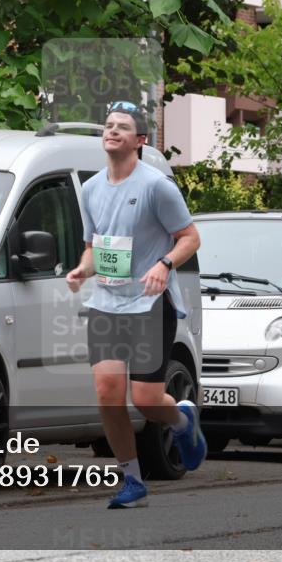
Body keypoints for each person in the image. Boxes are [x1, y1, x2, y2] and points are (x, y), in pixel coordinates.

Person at [66, 100, 205, 509]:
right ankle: (131, 478)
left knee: (145, 400)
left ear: (140, 140)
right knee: (107, 393)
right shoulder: (90, 189)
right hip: (106, 303)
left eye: (122, 127)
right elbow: (94, 249)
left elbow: (190, 237)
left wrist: (164, 264)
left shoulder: (155, 185)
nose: (111, 131)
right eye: (108, 125)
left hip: (147, 304)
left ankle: (182, 419)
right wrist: (81, 270)